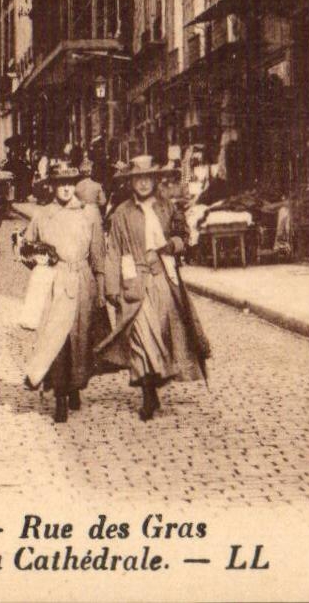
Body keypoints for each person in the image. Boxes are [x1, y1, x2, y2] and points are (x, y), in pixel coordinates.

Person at [102, 155, 211, 421]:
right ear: (130, 182)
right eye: (137, 178)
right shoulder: (122, 213)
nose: (142, 183)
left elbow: (184, 236)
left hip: (162, 278)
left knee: (163, 333)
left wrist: (171, 245)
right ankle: (148, 393)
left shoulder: (166, 208)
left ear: (154, 180)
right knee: (140, 336)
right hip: (134, 280)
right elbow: (113, 249)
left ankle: (156, 377)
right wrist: (111, 287)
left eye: (147, 178)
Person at [20, 177, 105, 423]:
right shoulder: (43, 214)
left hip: (82, 281)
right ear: (53, 187)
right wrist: (39, 260)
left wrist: (100, 289)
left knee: (80, 338)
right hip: (54, 283)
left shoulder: (89, 214)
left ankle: (75, 386)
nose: (66, 189)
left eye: (70, 183)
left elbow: (98, 253)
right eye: (61, 184)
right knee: (57, 339)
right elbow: (26, 248)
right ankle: (60, 396)